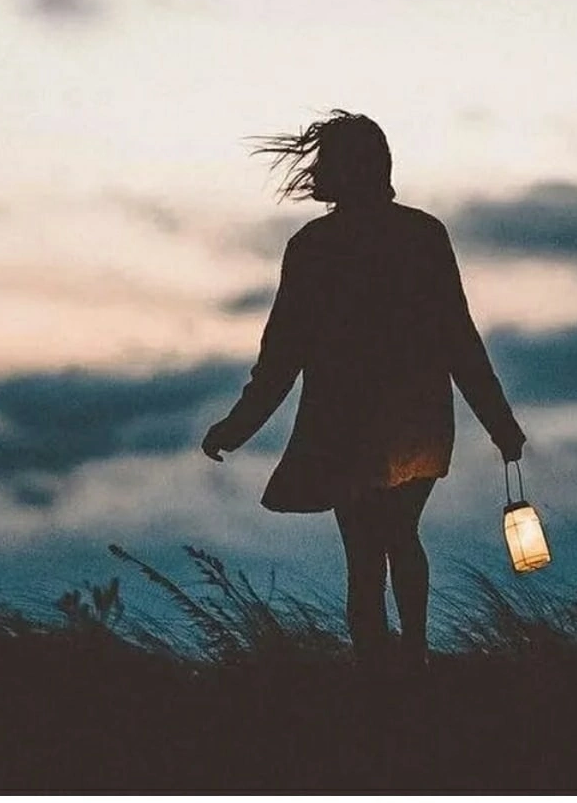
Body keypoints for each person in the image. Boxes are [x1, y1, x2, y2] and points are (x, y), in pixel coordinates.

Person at [200, 110, 525, 671]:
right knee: (400, 535)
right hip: (417, 425)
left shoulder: (314, 247)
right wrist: (500, 424)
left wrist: (237, 427)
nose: (318, 171)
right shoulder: (422, 235)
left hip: (348, 427)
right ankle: (412, 659)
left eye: (327, 161)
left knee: (365, 553)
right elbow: (459, 339)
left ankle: (382, 671)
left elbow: (281, 356)